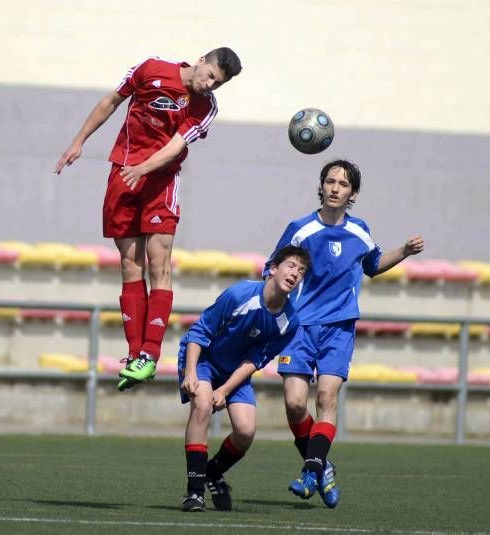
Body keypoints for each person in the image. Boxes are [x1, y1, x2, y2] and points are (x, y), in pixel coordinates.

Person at [54, 48, 242, 391]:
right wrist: (78, 142)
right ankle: (135, 353)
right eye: (211, 75)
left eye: (219, 83)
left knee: (160, 265)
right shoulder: (150, 68)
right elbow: (112, 101)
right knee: (129, 264)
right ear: (201, 60)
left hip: (160, 181)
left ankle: (150, 354)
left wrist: (142, 169)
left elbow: (174, 146)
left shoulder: (205, 107)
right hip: (122, 172)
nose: (211, 85)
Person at [264, 159, 424, 508]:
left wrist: (405, 252)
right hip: (299, 327)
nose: (336, 188)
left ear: (353, 193)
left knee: (326, 398)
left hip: (339, 327)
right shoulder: (300, 229)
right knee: (293, 403)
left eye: (344, 183)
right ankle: (322, 464)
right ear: (321, 187)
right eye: (331, 181)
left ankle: (310, 471)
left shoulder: (359, 231)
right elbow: (272, 268)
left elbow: (374, 265)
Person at [178, 245, 311, 512]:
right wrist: (191, 372)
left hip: (234, 371)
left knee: (246, 431)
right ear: (273, 269)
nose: (295, 273)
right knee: (202, 406)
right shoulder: (240, 294)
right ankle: (194, 493)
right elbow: (199, 331)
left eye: (301, 271)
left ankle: (213, 472)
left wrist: (225, 390)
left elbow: (254, 361)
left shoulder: (289, 322)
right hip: (203, 359)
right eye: (290, 266)